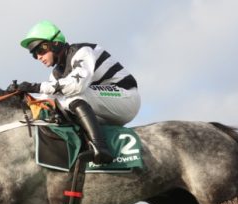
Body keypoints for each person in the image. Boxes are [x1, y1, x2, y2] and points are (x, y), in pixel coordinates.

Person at [9, 20, 141, 165]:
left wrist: (34, 86)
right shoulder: (56, 74)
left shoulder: (82, 52)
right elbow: (46, 103)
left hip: (126, 97)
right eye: (34, 54)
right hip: (103, 108)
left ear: (55, 43)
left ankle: (100, 148)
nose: (38, 57)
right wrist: (21, 98)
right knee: (57, 108)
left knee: (74, 95)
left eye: (40, 50)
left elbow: (77, 85)